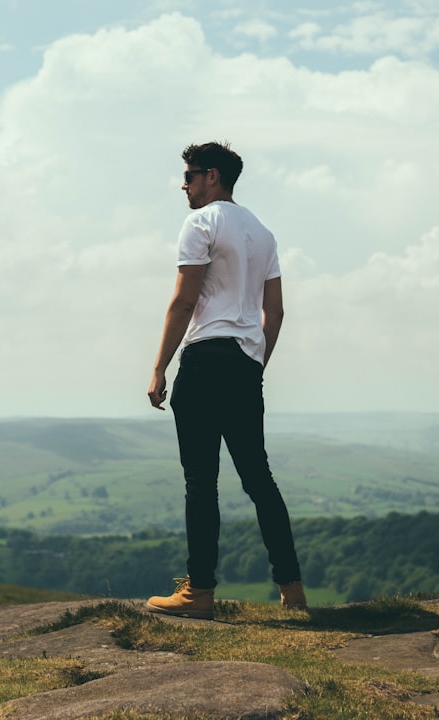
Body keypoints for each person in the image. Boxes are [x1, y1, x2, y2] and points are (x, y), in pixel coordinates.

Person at [145, 141, 306, 620]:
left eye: (190, 176)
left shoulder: (201, 222)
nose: (184, 185)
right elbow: (273, 311)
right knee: (259, 478)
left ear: (212, 176)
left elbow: (184, 300)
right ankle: (291, 587)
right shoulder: (263, 232)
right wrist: (256, 362)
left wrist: (159, 367)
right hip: (243, 364)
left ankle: (199, 592)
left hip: (204, 359)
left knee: (201, 482)